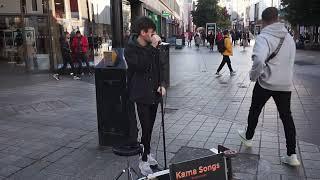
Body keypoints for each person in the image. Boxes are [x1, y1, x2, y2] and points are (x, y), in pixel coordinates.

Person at [237, 7, 300, 167]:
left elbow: (258, 60)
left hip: (266, 82)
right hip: (285, 84)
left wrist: (253, 76)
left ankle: (249, 137)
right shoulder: (289, 37)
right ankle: (292, 155)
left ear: (263, 21)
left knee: (255, 110)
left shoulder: (264, 37)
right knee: (287, 118)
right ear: (277, 18)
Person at [124, 16, 166, 176]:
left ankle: (147, 153)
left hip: (154, 92)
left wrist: (162, 83)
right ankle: (143, 159)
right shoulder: (130, 48)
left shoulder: (151, 46)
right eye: (151, 32)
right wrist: (153, 47)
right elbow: (141, 66)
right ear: (143, 32)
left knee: (150, 127)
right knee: (146, 126)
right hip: (141, 93)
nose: (153, 35)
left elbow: (160, 66)